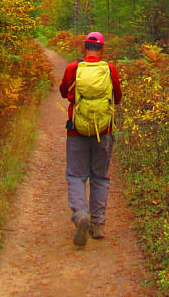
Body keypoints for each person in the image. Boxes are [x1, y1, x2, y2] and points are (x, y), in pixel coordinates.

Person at [59, 31, 121, 247]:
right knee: (100, 177)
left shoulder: (73, 68)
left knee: (76, 175)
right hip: (103, 131)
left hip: (76, 131)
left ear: (84, 48)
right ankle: (97, 224)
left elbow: (63, 91)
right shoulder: (109, 69)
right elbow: (118, 97)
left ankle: (80, 215)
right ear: (102, 49)